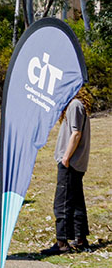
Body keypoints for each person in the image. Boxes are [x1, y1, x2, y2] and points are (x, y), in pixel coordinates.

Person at [42, 88, 92, 255]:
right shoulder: (76, 105)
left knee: (62, 202)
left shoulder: (75, 105)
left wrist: (65, 158)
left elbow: (76, 133)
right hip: (74, 162)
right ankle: (80, 239)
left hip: (71, 163)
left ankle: (62, 242)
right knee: (76, 200)